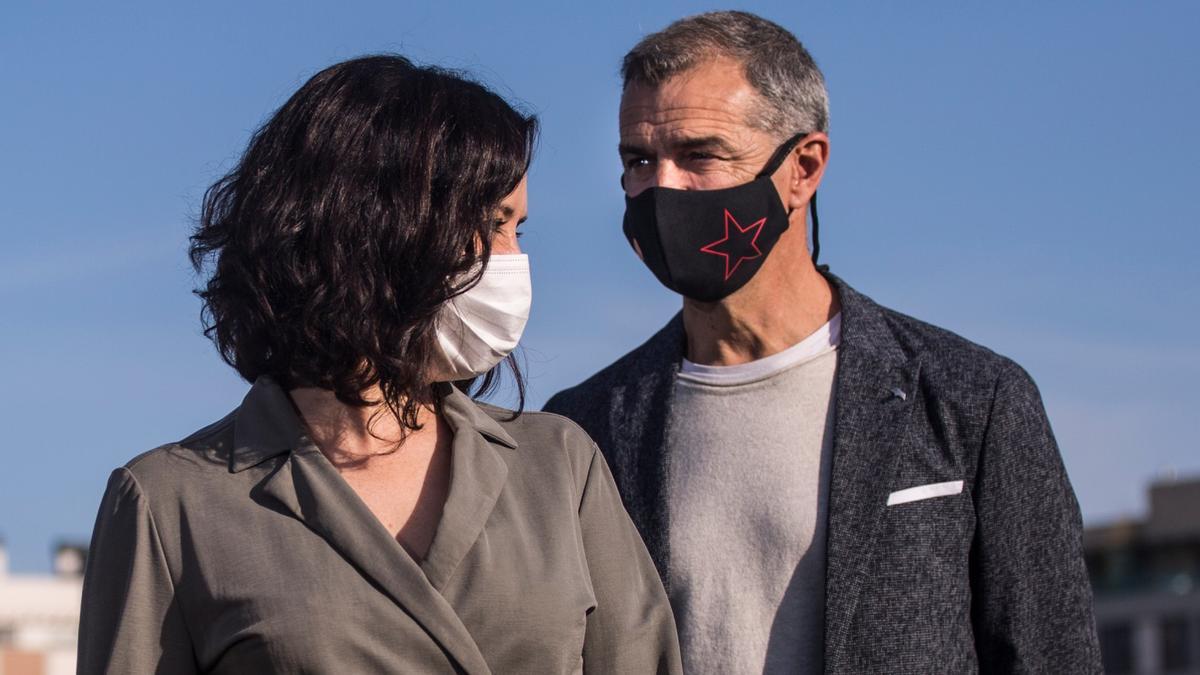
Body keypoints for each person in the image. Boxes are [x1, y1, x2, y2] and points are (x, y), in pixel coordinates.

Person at [77, 55, 681, 675]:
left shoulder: (559, 465)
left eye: (519, 230)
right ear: (374, 226)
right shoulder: (170, 501)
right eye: (494, 225)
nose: (513, 259)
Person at [544, 11, 1101, 674]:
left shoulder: (970, 400)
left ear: (803, 168)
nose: (661, 187)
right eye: (639, 160)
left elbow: (1051, 652)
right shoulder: (583, 431)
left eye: (700, 155)